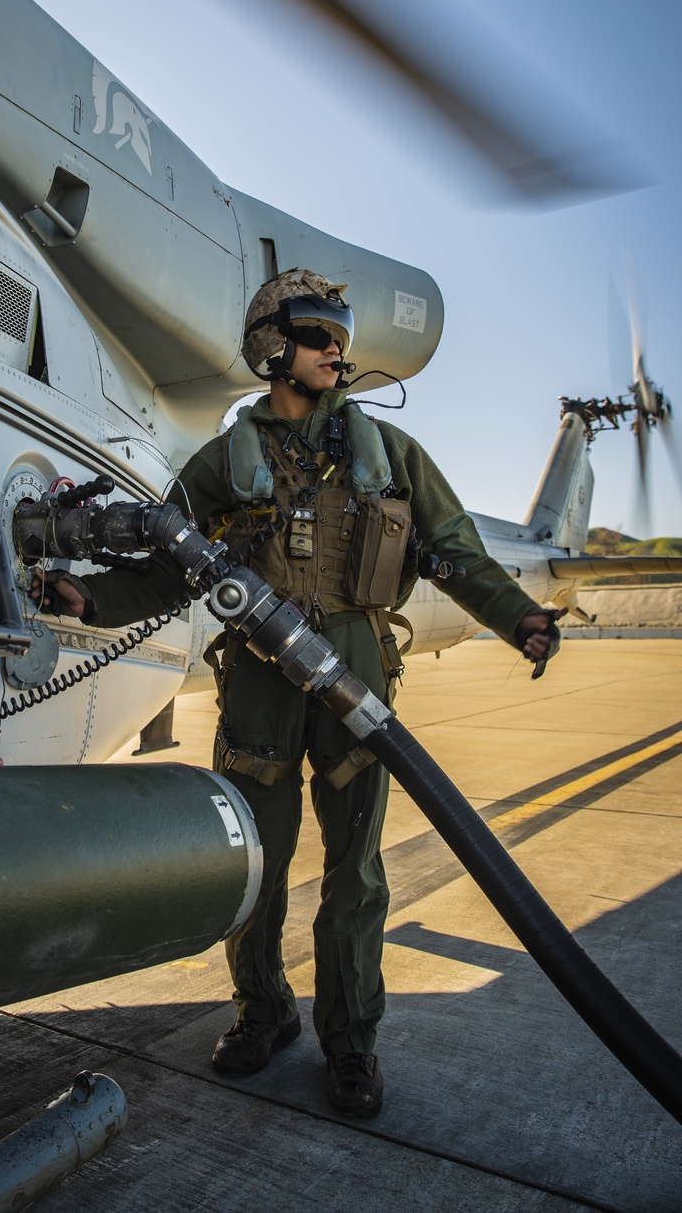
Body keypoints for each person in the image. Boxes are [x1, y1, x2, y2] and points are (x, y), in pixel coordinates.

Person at [32, 269, 561, 1119]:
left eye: (340, 334)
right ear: (275, 346)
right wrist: (95, 600)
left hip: (353, 668)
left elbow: (454, 548)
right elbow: (168, 567)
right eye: (318, 332)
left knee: (355, 874)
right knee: (254, 861)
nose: (336, 349)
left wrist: (518, 617)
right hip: (258, 677)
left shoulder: (388, 458)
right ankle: (263, 1012)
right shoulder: (221, 464)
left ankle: (352, 1044)